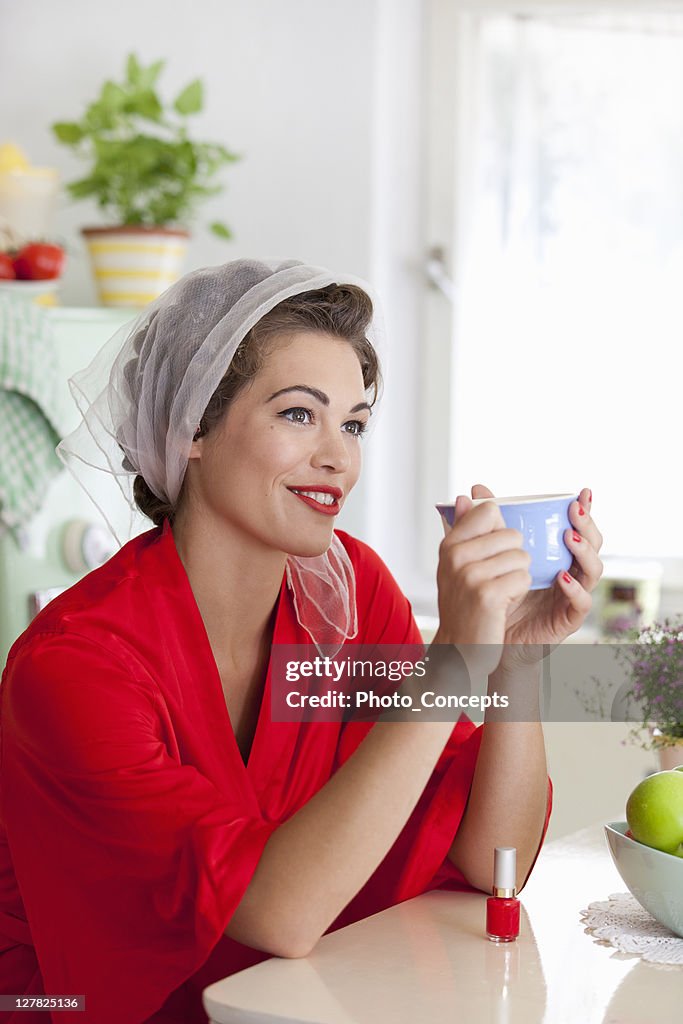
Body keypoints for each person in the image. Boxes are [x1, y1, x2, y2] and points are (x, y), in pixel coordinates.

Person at [0, 260, 602, 1023]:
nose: (339, 457)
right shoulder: (73, 669)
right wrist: (450, 658)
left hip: (297, 1002)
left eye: (351, 422)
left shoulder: (353, 595)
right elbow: (276, 914)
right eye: (296, 414)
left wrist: (513, 661)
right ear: (189, 429)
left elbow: (494, 862)